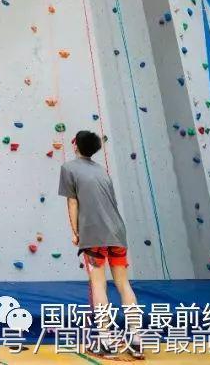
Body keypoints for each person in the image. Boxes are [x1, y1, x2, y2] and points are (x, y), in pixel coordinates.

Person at [59, 130, 143, 359]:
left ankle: (105, 341)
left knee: (98, 285)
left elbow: (73, 203)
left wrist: (76, 232)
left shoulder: (68, 168)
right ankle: (136, 339)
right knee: (123, 284)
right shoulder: (102, 170)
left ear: (75, 145)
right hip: (117, 232)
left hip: (94, 233)